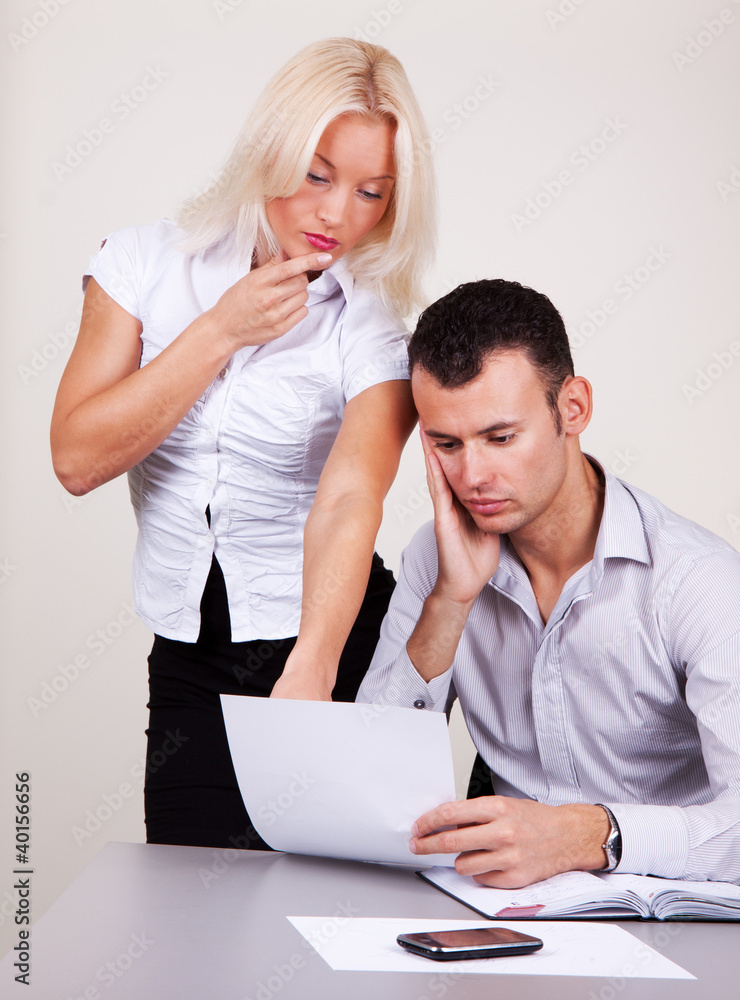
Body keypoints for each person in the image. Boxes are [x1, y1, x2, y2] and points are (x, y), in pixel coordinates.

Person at [50, 38, 436, 850]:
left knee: (328, 906)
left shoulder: (371, 327)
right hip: (190, 651)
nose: (337, 214)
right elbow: (77, 458)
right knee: (188, 902)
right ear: (271, 151)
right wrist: (221, 330)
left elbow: (350, 497)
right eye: (318, 175)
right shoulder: (141, 265)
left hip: (331, 643)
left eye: (371, 192)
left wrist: (315, 669)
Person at [357, 278, 740, 888]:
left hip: (667, 912)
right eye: (446, 444)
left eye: (500, 437)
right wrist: (449, 602)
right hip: (504, 912)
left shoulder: (700, 582)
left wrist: (588, 836)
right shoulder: (436, 558)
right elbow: (368, 783)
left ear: (573, 408)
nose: (472, 475)